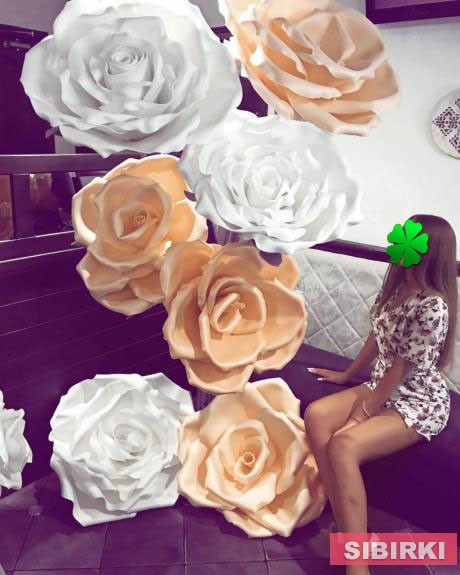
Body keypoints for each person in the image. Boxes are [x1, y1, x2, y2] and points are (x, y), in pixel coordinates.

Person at [304, 215, 458, 575]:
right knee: (316, 415)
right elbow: (376, 337)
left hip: (418, 399)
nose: (400, 247)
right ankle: (349, 527)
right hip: (382, 385)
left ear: (429, 253)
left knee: (343, 445)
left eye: (410, 241)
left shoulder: (433, 306)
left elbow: (402, 368)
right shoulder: (397, 289)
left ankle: (356, 565)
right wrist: (347, 374)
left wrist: (363, 412)